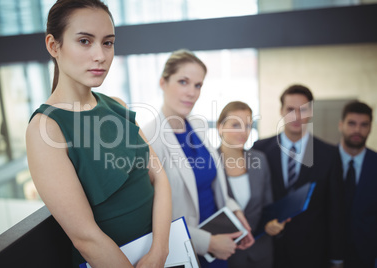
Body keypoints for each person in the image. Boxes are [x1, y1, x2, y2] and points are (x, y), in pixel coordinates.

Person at [26, 1, 172, 267]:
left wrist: (160, 251)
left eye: (107, 42)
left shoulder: (116, 105)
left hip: (160, 254)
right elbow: (86, 238)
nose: (101, 56)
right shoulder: (46, 128)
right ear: (53, 46)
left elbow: (159, 177)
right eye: (84, 41)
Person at [142, 49, 255, 268]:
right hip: (189, 248)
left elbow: (215, 185)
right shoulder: (148, 138)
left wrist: (236, 212)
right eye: (183, 82)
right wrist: (208, 243)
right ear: (163, 83)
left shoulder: (199, 124)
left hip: (221, 241)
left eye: (198, 85)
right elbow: (151, 216)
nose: (192, 92)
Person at [252, 84, 345, 268]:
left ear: (311, 112)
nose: (296, 116)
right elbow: (255, 203)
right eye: (290, 109)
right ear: (281, 111)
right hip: (269, 252)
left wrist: (336, 257)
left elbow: (335, 209)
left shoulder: (329, 154)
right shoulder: (260, 150)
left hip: (313, 253)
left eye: (303, 110)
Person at [217, 101, 288, 268]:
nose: (244, 132)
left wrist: (273, 223)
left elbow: (267, 206)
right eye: (236, 125)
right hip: (224, 255)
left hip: (259, 253)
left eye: (248, 125)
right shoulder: (208, 163)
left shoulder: (259, 159)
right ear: (220, 127)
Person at [337, 100, 377, 268]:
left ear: (370, 128)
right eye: (352, 123)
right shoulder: (324, 161)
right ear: (341, 125)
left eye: (364, 125)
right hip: (327, 253)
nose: (357, 130)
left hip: (367, 255)